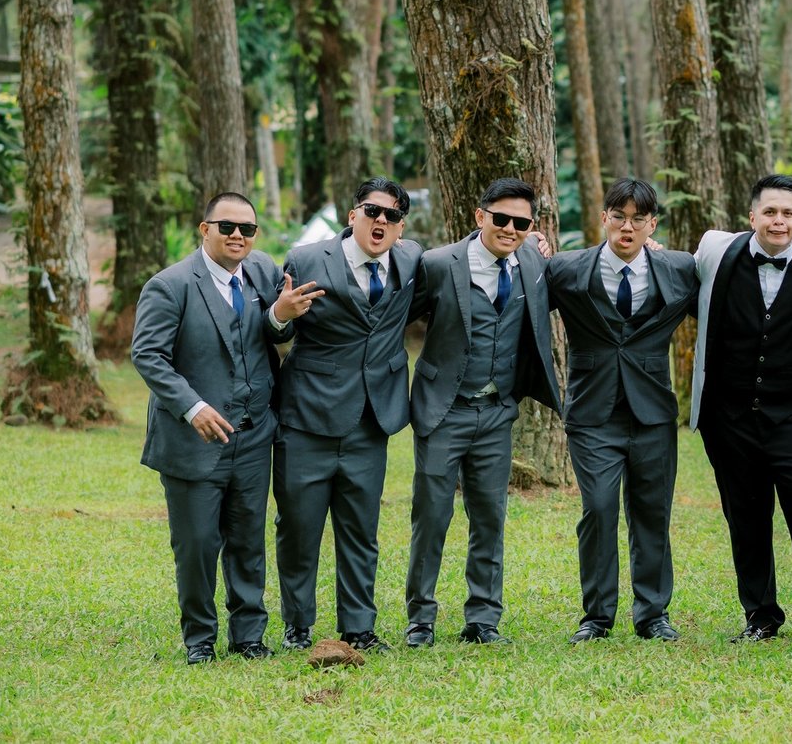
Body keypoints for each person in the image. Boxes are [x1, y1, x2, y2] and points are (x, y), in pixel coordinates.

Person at [132, 192, 320, 664]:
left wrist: (281, 315)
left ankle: (248, 636)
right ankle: (199, 639)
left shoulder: (262, 271)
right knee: (197, 544)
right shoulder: (170, 285)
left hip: (254, 433)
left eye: (247, 229)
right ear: (205, 229)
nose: (238, 236)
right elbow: (148, 355)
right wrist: (192, 407)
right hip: (194, 439)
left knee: (247, 538)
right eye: (227, 227)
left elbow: (273, 331)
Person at [691, 174, 792, 643]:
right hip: (730, 418)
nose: (778, 221)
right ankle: (761, 617)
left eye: (787, 213)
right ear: (752, 217)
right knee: (746, 519)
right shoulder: (716, 251)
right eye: (769, 212)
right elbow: (665, 265)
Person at [404, 177, 561, 646]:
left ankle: (483, 619)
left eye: (521, 223)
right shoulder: (437, 264)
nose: (510, 229)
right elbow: (396, 318)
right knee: (432, 518)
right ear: (480, 216)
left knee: (490, 517)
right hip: (443, 410)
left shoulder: (533, 261)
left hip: (497, 412)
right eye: (501, 218)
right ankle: (420, 620)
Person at [270, 177, 423, 653]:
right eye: (372, 211)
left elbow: (467, 258)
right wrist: (281, 313)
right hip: (308, 416)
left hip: (371, 419)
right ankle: (298, 627)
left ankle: (359, 627)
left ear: (401, 227)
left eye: (392, 216)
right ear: (353, 214)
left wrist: (532, 244)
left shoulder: (412, 260)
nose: (381, 221)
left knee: (361, 531)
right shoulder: (306, 259)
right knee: (299, 528)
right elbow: (274, 332)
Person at [545, 178, 698, 644]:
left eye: (637, 219)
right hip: (592, 413)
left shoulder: (680, 269)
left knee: (652, 512)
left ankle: (652, 614)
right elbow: (518, 294)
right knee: (598, 508)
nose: (626, 227)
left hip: (653, 412)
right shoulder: (566, 269)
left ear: (652, 224)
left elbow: (734, 283)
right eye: (618, 217)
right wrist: (531, 246)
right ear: (604, 219)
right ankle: (596, 616)